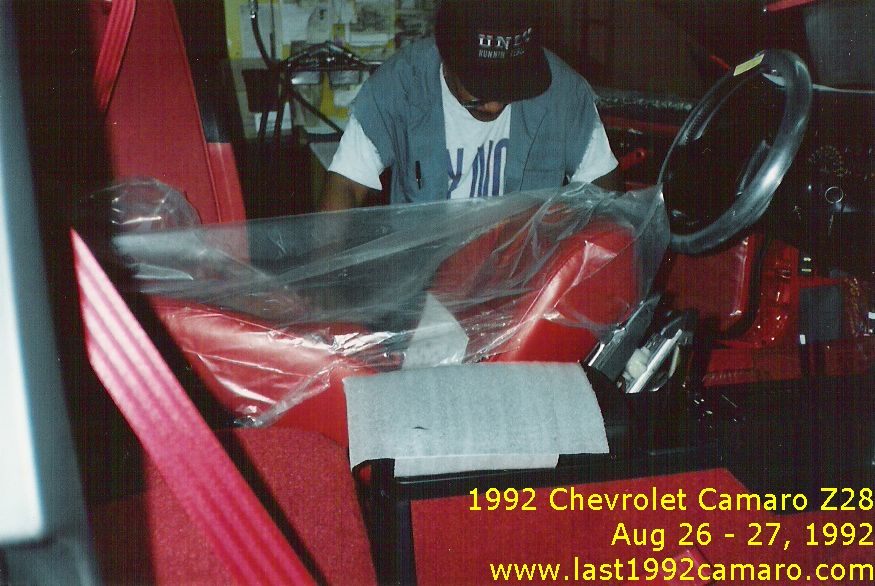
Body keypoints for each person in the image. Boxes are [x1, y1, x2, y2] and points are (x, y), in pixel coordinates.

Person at [321, 0, 620, 211]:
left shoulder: (564, 93)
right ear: (445, 59)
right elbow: (346, 184)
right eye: (478, 92)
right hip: (427, 275)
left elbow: (604, 195)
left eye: (510, 89)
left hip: (526, 275)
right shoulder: (402, 85)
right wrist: (327, 278)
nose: (493, 107)